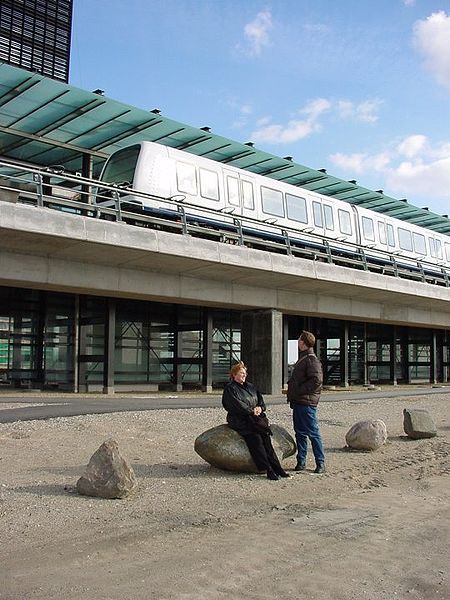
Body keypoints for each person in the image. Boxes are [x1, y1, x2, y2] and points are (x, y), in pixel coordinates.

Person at [222, 361, 290, 481]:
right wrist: (251, 410)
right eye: (241, 373)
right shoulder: (230, 389)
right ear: (234, 375)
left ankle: (277, 467)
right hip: (241, 420)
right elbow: (236, 405)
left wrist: (260, 408)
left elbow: (261, 401)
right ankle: (267, 469)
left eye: (245, 373)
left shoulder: (251, 387)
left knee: (266, 439)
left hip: (255, 419)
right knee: (255, 440)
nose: (244, 375)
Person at [287, 331, 326, 473]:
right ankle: (301, 462)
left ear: (303, 342)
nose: (297, 342)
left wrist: (298, 391)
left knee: (313, 433)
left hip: (306, 403)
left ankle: (320, 463)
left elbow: (317, 381)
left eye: (299, 339)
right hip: (299, 402)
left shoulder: (311, 359)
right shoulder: (304, 358)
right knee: (300, 433)